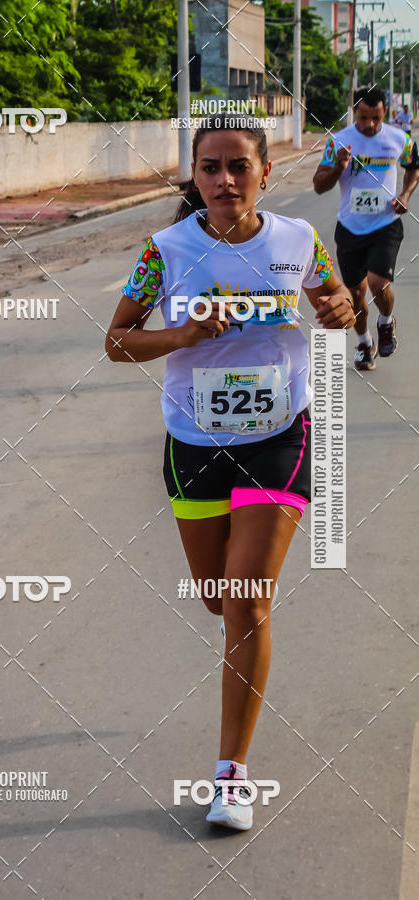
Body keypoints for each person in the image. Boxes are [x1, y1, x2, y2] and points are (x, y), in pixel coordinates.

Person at [105, 115, 354, 831]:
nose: (224, 181)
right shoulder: (165, 252)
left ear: (265, 172)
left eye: (238, 166)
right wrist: (181, 333)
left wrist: (339, 308)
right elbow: (117, 342)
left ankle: (231, 777)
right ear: (195, 175)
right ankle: (245, 646)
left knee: (245, 600)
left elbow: (335, 305)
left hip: (279, 437)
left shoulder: (297, 241)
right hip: (194, 442)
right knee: (219, 600)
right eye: (209, 168)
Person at [313, 86, 419, 370]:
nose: (370, 124)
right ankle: (363, 343)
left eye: (376, 117)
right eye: (363, 118)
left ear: (385, 112)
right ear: (354, 112)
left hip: (385, 224)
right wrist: (338, 166)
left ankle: (385, 322)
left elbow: (413, 168)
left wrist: (405, 195)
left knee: (377, 283)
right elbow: (319, 185)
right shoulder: (339, 141)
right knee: (356, 294)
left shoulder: (401, 139)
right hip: (349, 228)